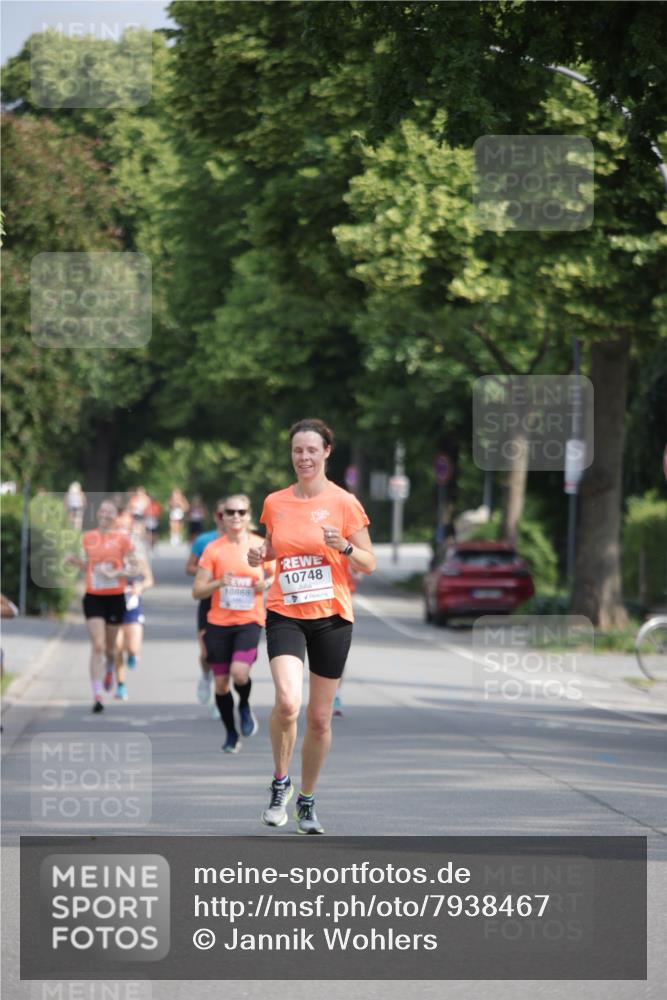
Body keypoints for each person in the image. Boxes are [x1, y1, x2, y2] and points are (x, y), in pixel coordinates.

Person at [248, 418, 375, 834]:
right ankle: (279, 782)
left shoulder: (345, 502)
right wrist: (260, 555)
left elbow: (369, 562)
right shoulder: (275, 502)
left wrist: (346, 546)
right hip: (285, 611)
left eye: (311, 450)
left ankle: (307, 799)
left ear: (326, 452)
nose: (303, 457)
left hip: (332, 617)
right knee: (288, 702)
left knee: (320, 719)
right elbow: (275, 547)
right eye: (297, 450)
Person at [192, 494, 275, 753]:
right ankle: (230, 732)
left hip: (249, 620)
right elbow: (197, 591)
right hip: (218, 623)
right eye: (230, 512)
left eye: (241, 512)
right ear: (223, 517)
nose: (236, 516)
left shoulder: (261, 546)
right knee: (221, 684)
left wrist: (266, 583)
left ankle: (245, 705)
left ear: (249, 516)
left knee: (240, 673)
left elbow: (277, 575)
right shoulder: (213, 549)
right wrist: (219, 582)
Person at [65, 498, 134, 713]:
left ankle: (110, 667)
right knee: (97, 645)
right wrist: (76, 561)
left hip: (115, 597)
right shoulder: (88, 537)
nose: (105, 515)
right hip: (93, 596)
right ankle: (97, 695)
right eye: (102, 511)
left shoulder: (123, 540)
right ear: (98, 514)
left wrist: (115, 573)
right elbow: (88, 566)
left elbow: (135, 568)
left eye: (109, 512)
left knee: (110, 649)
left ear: (116, 517)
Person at [185, 501, 226, 716]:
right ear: (215, 516)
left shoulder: (246, 541)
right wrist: (208, 574)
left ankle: (220, 699)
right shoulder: (204, 540)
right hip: (209, 599)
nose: (228, 518)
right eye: (222, 514)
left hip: (233, 603)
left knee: (226, 654)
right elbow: (189, 567)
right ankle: (205, 676)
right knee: (207, 653)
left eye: (236, 513)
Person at [113, 544, 154, 700]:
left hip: (132, 609)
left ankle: (132, 654)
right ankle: (121, 685)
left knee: (133, 648)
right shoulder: (110, 559)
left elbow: (149, 580)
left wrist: (140, 587)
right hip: (114, 608)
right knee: (117, 647)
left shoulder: (138, 559)